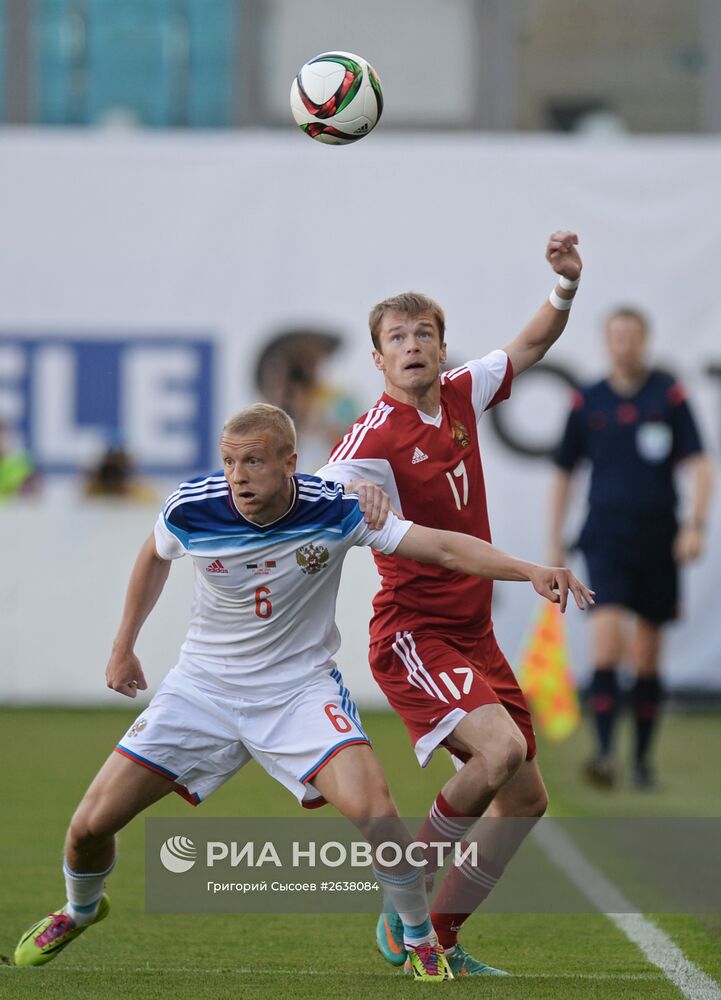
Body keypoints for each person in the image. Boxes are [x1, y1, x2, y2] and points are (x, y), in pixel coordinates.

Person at [14, 403, 592, 981]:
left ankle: (420, 941)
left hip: (298, 695)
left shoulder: (335, 509)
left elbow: (442, 547)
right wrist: (124, 644)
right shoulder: (192, 507)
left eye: (254, 461)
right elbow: (152, 556)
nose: (239, 475)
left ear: (290, 463)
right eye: (230, 461)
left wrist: (528, 570)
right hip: (202, 691)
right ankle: (79, 909)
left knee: (379, 815)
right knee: (89, 826)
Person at [316, 230, 584, 976]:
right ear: (377, 359)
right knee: (497, 751)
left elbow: (532, 343)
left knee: (525, 798)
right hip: (415, 633)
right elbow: (317, 488)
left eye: (423, 333)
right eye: (396, 337)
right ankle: (405, 893)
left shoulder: (463, 391)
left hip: (473, 633)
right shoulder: (372, 434)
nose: (412, 345)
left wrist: (564, 286)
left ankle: (438, 933)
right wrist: (349, 489)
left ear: (440, 346)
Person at [549, 306, 713, 789]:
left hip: (658, 538)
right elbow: (564, 471)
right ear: (607, 342)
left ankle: (641, 762)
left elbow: (701, 464)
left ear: (645, 340)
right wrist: (555, 541)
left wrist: (696, 525)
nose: (625, 345)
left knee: (646, 653)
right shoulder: (589, 400)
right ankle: (602, 753)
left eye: (633, 337)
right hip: (605, 536)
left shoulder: (669, 395)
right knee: (605, 639)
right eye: (617, 337)